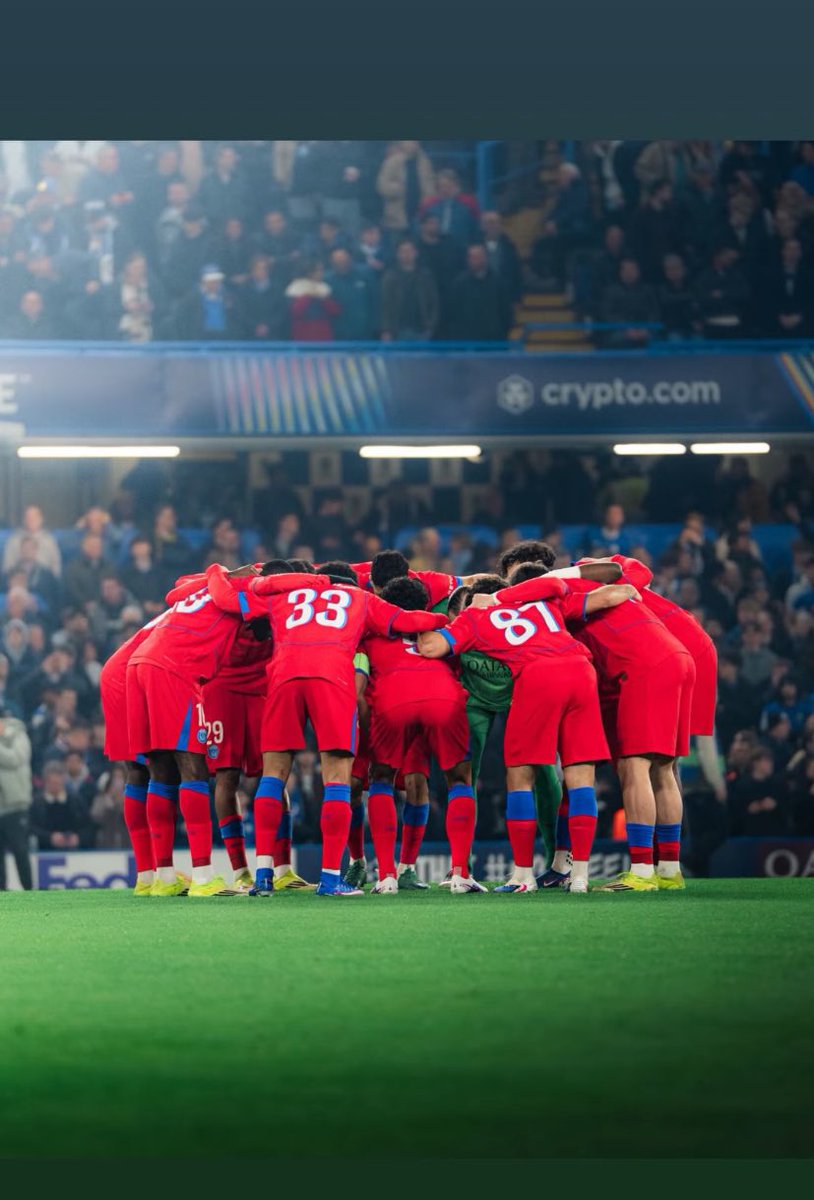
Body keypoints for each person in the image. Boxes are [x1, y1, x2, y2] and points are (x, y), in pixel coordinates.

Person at [206, 561, 447, 896]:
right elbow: (409, 620)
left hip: (283, 676)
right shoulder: (360, 599)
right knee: (337, 778)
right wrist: (446, 620)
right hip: (331, 677)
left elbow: (229, 601)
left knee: (273, 774)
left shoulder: (284, 597)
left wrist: (216, 572)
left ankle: (263, 875)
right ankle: (331, 878)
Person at [419, 572, 636, 893]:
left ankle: (522, 876)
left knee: (520, 776)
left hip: (537, 677)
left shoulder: (473, 618)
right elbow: (612, 594)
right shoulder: (541, 604)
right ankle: (580, 876)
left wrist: (427, 625)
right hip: (581, 671)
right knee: (580, 776)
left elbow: (432, 648)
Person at [498, 543, 696, 892]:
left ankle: (642, 873)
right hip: (676, 655)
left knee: (633, 767)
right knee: (663, 769)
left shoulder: (556, 598)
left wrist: (500, 598)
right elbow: (632, 578)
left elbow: (524, 596)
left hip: (642, 667)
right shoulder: (590, 582)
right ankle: (668, 869)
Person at [358, 576, 473, 894]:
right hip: (442, 695)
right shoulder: (443, 634)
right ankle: (461, 874)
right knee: (460, 780)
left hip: (393, 698)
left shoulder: (372, 634)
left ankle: (386, 876)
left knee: (381, 778)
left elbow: (360, 678)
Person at [448, 243, 513, 341]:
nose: (473, 260)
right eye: (471, 257)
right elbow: (453, 314)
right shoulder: (459, 284)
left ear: (485, 258)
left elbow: (506, 312)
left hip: (494, 340)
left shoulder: (498, 282)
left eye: (477, 257)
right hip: (467, 341)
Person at [380, 238, 439, 341]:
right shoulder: (390, 277)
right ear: (397, 254)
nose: (406, 254)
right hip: (397, 331)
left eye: (409, 251)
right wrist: (386, 330)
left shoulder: (425, 276)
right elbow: (384, 305)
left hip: (421, 330)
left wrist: (430, 327)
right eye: (403, 251)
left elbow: (434, 303)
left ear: (416, 253)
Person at [0, 708, 33, 889]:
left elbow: (16, 758)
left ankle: (29, 890)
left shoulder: (18, 733)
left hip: (15, 804)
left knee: (20, 850)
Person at [30, 759, 94, 851]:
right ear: (45, 782)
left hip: (75, 852)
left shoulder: (76, 801)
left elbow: (88, 826)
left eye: (58, 783)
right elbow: (31, 828)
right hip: (44, 851)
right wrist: (49, 838)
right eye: (53, 783)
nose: (56, 786)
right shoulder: (37, 803)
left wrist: (78, 838)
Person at [376, 141, 435, 235]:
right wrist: (398, 188)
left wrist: (428, 200)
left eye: (415, 142)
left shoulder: (425, 163)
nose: (412, 144)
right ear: (402, 143)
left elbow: (430, 187)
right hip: (397, 218)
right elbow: (381, 186)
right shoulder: (392, 162)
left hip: (420, 217)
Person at [324, 248, 377, 340]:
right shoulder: (326, 279)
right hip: (337, 333)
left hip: (365, 332)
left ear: (349, 259)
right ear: (332, 263)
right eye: (337, 261)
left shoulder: (365, 274)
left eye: (343, 260)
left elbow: (376, 302)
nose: (340, 264)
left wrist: (377, 328)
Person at [419, 169, 479, 248]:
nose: (444, 190)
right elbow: (419, 227)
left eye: (448, 186)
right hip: (434, 247)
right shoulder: (429, 206)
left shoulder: (467, 205)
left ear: (457, 187)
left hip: (459, 247)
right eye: (441, 187)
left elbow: (474, 229)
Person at [284, 260, 341, 341]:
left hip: (323, 334)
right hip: (302, 334)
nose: (322, 273)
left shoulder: (325, 288)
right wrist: (308, 296)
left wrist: (323, 299)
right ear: (310, 272)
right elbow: (294, 311)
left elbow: (336, 311)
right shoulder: (295, 288)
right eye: (319, 270)